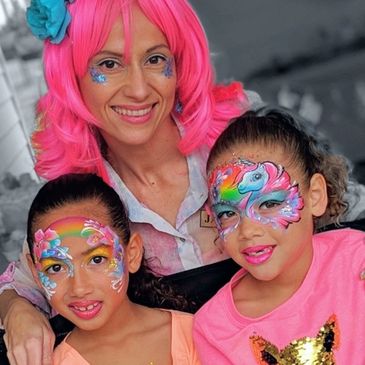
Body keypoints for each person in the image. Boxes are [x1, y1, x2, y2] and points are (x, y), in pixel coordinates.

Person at [0, 0, 261, 364]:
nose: (138, 90)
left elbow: (345, 217)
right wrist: (16, 311)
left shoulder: (243, 147)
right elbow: (25, 283)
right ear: (71, 76)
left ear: (180, 61)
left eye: (155, 59)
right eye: (109, 64)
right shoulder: (83, 203)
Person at [193, 108, 365, 364]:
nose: (249, 230)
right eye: (228, 213)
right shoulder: (214, 328)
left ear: (315, 196)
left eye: (269, 204)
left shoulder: (356, 259)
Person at [26, 173, 201, 364]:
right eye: (56, 267)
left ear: (131, 254)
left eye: (97, 259)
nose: (79, 288)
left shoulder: (197, 334)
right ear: (36, 273)